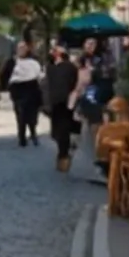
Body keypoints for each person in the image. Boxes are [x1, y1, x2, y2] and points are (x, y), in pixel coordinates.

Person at [43, 42, 84, 173]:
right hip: (54, 102)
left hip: (65, 102)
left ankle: (63, 156)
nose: (52, 52)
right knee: (57, 132)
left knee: (63, 130)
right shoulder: (50, 67)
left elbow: (73, 84)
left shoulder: (69, 67)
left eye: (55, 50)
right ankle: (64, 152)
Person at [7, 41, 46, 147]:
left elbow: (40, 75)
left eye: (24, 48)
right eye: (19, 48)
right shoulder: (12, 62)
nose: (21, 50)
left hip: (32, 89)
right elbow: (5, 75)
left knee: (32, 114)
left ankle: (33, 133)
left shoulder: (34, 62)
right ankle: (22, 138)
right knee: (21, 115)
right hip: (18, 91)